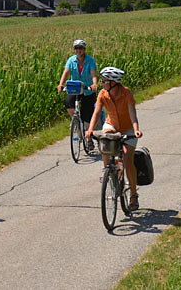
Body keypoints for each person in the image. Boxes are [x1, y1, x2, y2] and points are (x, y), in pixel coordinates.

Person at [86, 66, 143, 211]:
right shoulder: (103, 94)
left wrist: (136, 130)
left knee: (127, 158)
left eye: (104, 80)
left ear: (113, 83)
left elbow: (132, 114)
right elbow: (97, 113)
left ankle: (134, 195)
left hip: (128, 128)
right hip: (111, 124)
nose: (102, 83)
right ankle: (106, 169)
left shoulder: (126, 93)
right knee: (105, 140)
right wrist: (90, 129)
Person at [57, 38, 98, 132]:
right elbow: (66, 72)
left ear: (84, 49)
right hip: (75, 88)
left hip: (87, 89)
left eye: (80, 48)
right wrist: (60, 84)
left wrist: (94, 84)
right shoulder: (71, 60)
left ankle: (89, 138)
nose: (78, 50)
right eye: (76, 48)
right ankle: (75, 121)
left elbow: (93, 74)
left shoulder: (90, 60)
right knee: (68, 102)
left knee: (87, 114)